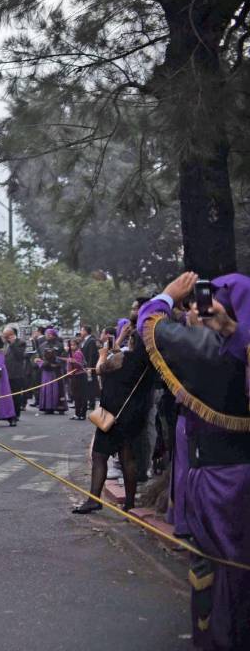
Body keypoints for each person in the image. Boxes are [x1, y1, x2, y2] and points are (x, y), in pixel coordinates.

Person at [138, 272, 250, 650]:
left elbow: (150, 324)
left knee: (214, 564)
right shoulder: (237, 345)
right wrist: (232, 328)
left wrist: (169, 295)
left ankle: (217, 638)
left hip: (218, 479)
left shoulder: (208, 352)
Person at [71, 318, 151, 514]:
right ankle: (130, 503)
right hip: (133, 415)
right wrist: (121, 337)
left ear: (132, 342)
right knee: (127, 458)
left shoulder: (121, 359)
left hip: (112, 414)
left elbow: (101, 369)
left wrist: (103, 353)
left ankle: (93, 499)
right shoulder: (144, 363)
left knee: (99, 456)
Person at [2, 326, 29, 418]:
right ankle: (6, 413)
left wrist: (13, 344)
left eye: (6, 335)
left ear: (12, 335)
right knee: (5, 394)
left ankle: (16, 414)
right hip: (5, 373)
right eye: (4, 335)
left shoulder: (21, 343)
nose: (5, 337)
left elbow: (19, 356)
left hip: (16, 373)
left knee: (15, 395)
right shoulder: (4, 344)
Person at [66, 339, 89, 420]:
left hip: (80, 376)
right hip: (75, 377)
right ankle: (77, 413)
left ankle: (82, 414)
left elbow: (80, 365)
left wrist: (74, 362)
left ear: (77, 346)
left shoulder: (78, 353)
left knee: (81, 396)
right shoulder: (71, 354)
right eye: (70, 345)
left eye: (73, 345)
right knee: (76, 396)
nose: (71, 347)